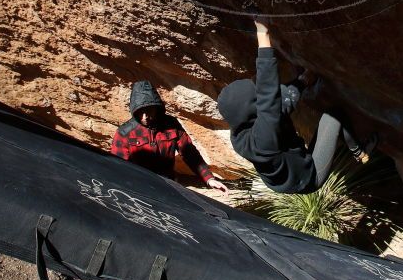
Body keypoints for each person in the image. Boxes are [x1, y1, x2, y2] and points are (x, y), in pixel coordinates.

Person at [216, 19, 377, 194]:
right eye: (255, 95)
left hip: (287, 172)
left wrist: (302, 81)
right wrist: (263, 34)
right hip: (307, 178)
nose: (258, 94)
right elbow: (269, 99)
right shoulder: (262, 143)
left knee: (280, 111)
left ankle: (354, 151)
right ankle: (359, 152)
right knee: (334, 115)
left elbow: (278, 103)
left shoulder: (239, 131)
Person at [111, 80, 229, 194]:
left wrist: (209, 179)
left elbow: (190, 153)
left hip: (168, 186)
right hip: (139, 188)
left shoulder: (171, 125)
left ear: (157, 108)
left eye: (149, 110)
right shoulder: (125, 133)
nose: (145, 117)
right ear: (134, 110)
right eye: (140, 112)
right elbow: (118, 168)